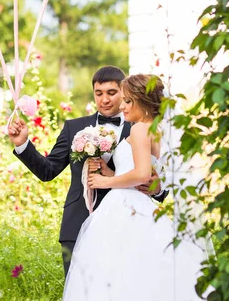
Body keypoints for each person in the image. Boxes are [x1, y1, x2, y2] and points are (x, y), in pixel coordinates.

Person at [8, 66, 168, 276]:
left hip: (128, 225)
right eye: (98, 93)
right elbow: (48, 171)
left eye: (112, 93)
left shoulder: (141, 125)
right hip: (78, 223)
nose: (105, 100)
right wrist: (23, 144)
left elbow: (157, 183)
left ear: (125, 93)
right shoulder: (73, 127)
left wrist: (154, 189)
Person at [63, 74, 207, 301]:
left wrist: (106, 181)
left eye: (128, 100)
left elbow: (141, 174)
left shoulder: (140, 129)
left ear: (142, 100)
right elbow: (153, 171)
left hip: (123, 207)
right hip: (140, 205)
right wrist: (112, 172)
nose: (122, 105)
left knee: (114, 272)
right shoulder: (156, 129)